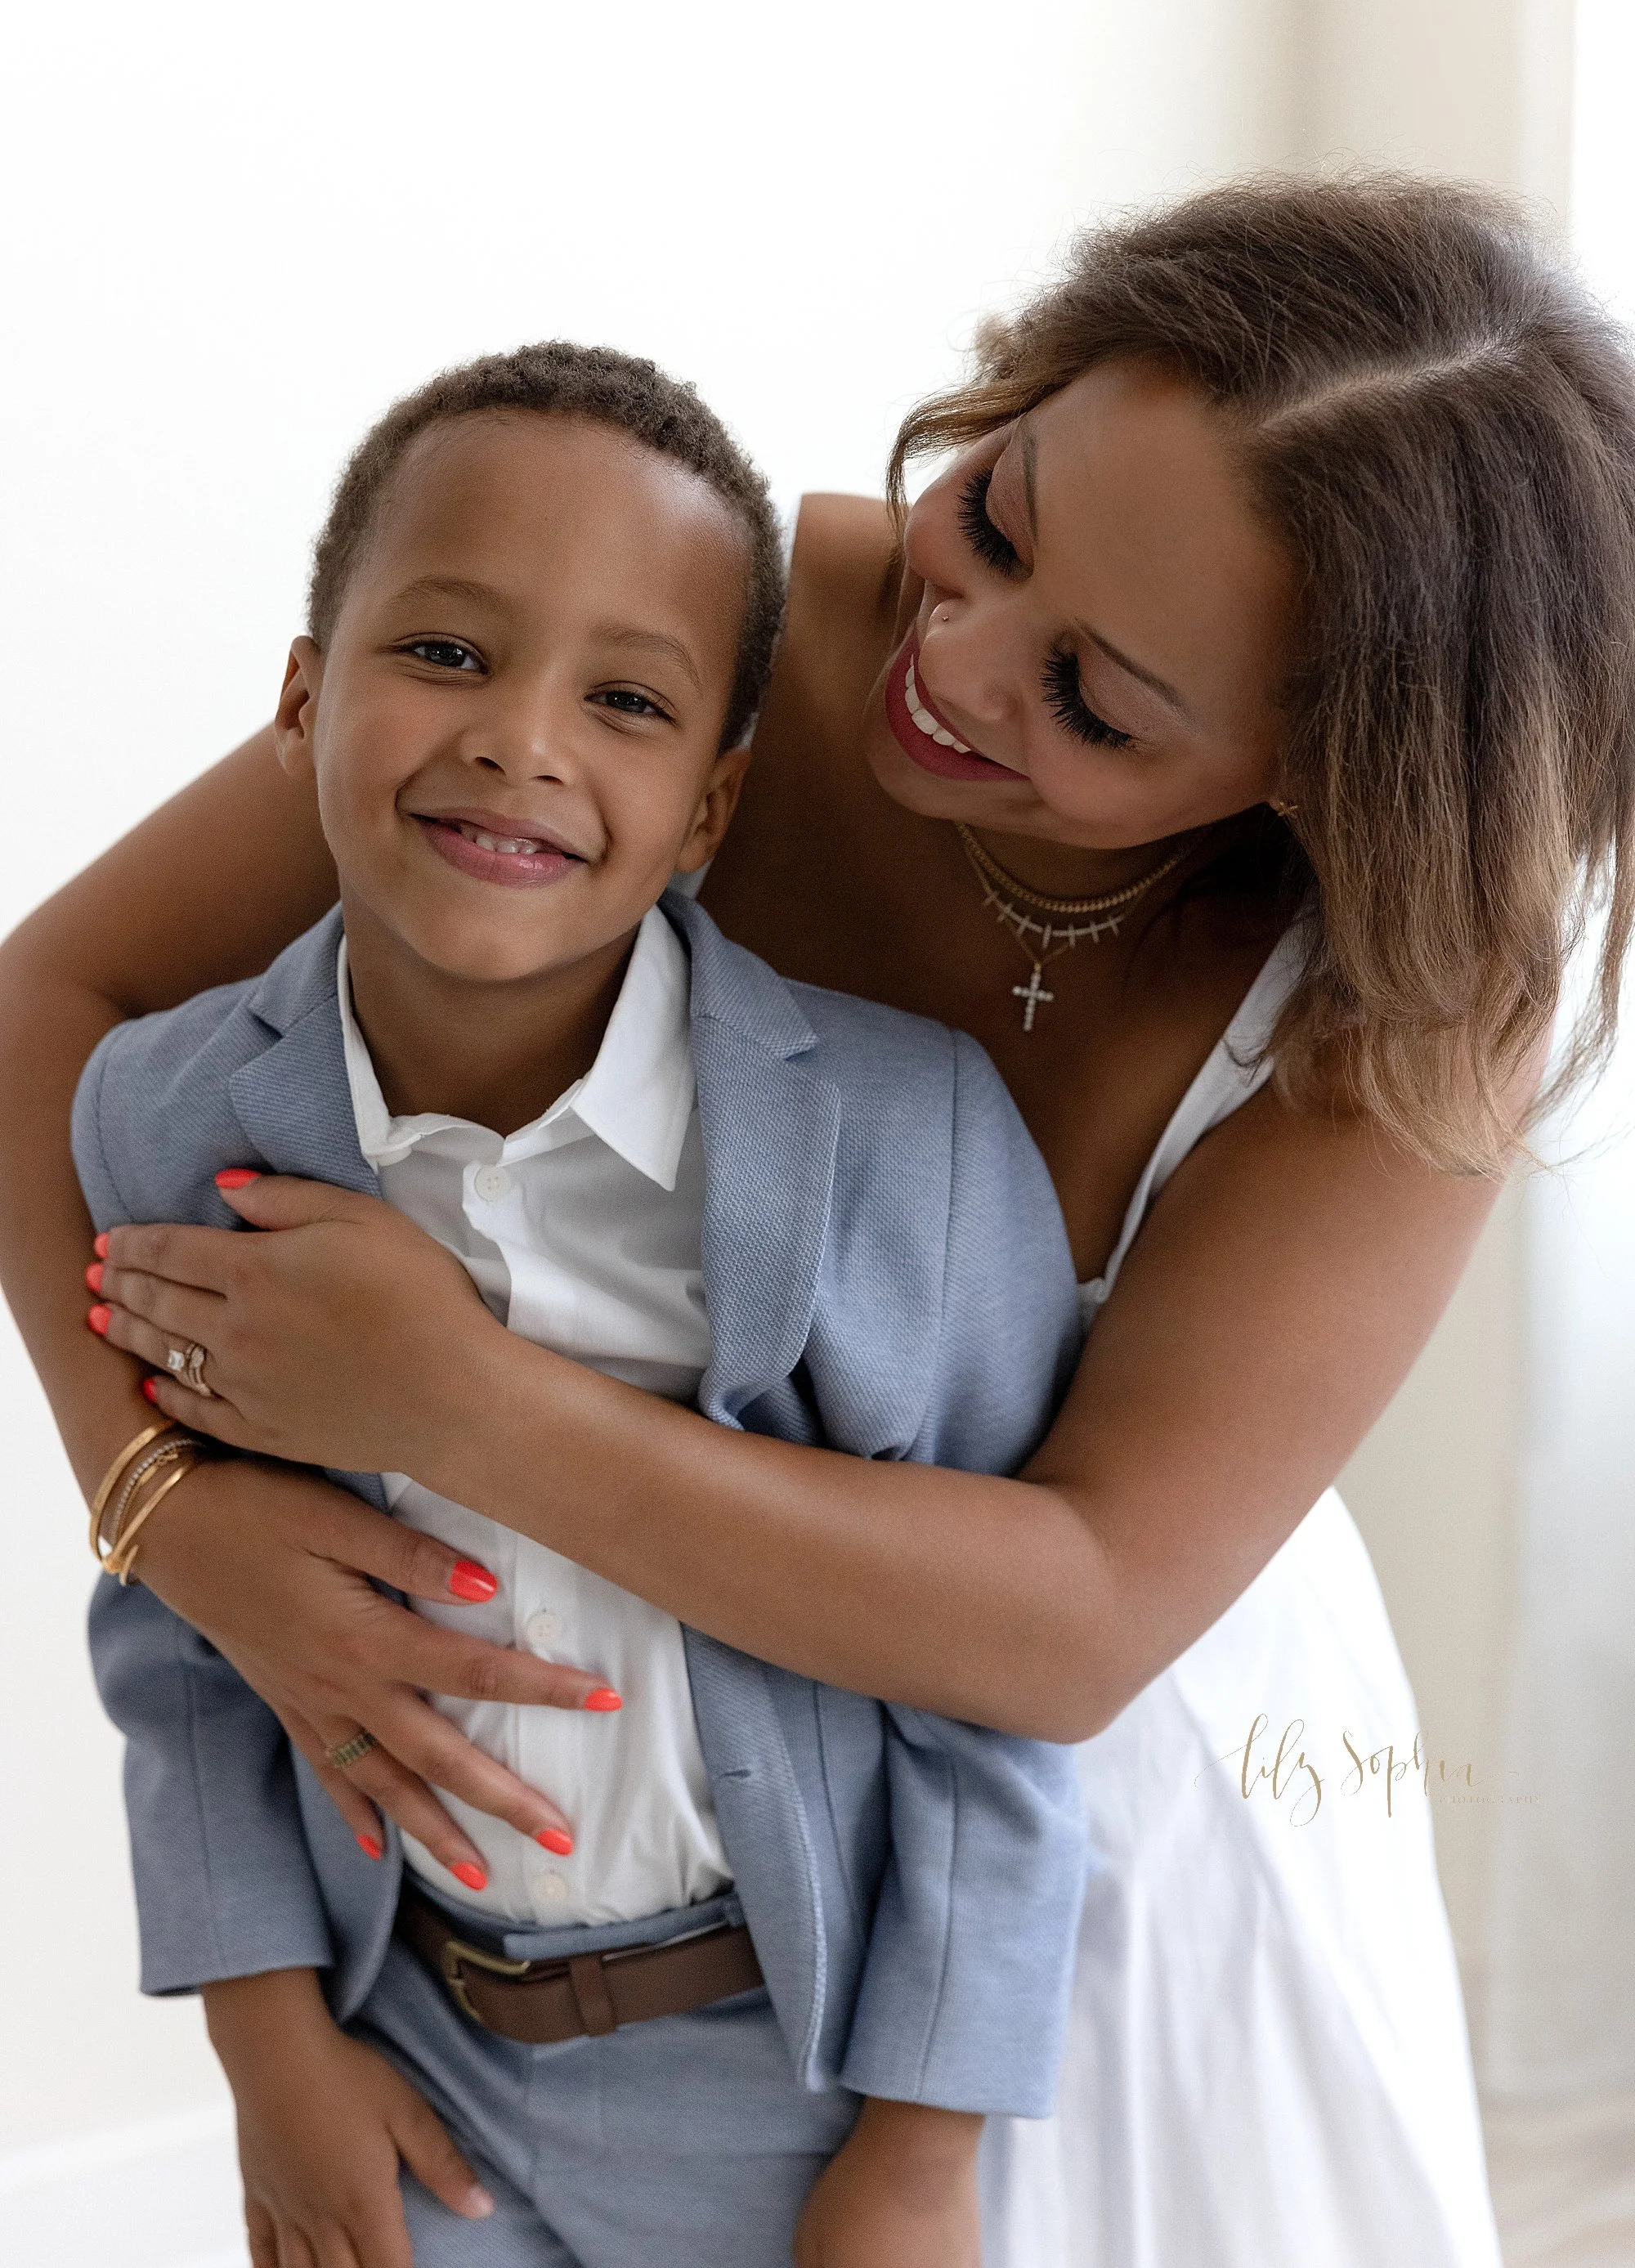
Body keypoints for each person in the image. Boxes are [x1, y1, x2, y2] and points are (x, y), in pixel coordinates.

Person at [7, 176, 1635, 2264]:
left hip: (1074, 1819)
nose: (949, 663)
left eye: (1098, 701)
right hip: (610, 1848)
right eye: (996, 515)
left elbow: (1067, 1618)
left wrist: (465, 1400)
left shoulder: (1407, 1003)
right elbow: (48, 1010)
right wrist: (165, 1498)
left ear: (1310, 778)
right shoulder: (690, 645)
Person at [73, 342, 1088, 2268]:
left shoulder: (908, 1139)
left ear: (708, 811)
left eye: (622, 698)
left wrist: (924, 2144)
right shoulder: (167, 1112)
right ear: (301, 700)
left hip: (784, 2076)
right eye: (445, 653)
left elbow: (985, 1702)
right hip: (415, 2058)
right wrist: (267, 2044)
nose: (522, 739)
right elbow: (182, 1637)